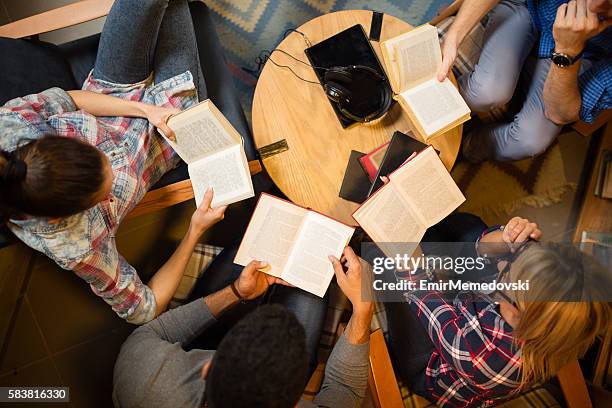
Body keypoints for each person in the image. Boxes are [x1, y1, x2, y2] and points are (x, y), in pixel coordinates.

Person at [0, 0, 248, 324]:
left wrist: (145, 110)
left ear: (57, 140)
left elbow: (70, 99)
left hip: (114, 90)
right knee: (174, 8)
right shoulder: (77, 244)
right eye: (107, 192)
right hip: (168, 136)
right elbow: (143, 308)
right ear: (80, 209)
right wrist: (194, 229)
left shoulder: (10, 128)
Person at [384, 213, 612, 407]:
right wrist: (506, 240)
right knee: (471, 226)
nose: (503, 262)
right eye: (520, 255)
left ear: (516, 314)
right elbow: (490, 253)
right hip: (473, 319)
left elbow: (420, 287)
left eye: (507, 271)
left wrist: (399, 235)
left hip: (431, 363)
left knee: (386, 264)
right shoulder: (549, 319)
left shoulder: (481, 356)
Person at [112, 246, 374, 408]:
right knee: (315, 268)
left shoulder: (144, 383)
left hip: (195, 360)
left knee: (257, 250)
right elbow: (344, 390)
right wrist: (363, 308)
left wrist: (237, 292)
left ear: (207, 367)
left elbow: (156, 332)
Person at [438, 0, 611, 162]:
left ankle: (470, 146)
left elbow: (559, 114)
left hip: (583, 55)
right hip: (528, 7)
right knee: (485, 92)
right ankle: (435, 108)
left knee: (530, 140)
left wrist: (567, 52)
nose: (595, 4)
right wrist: (453, 36)